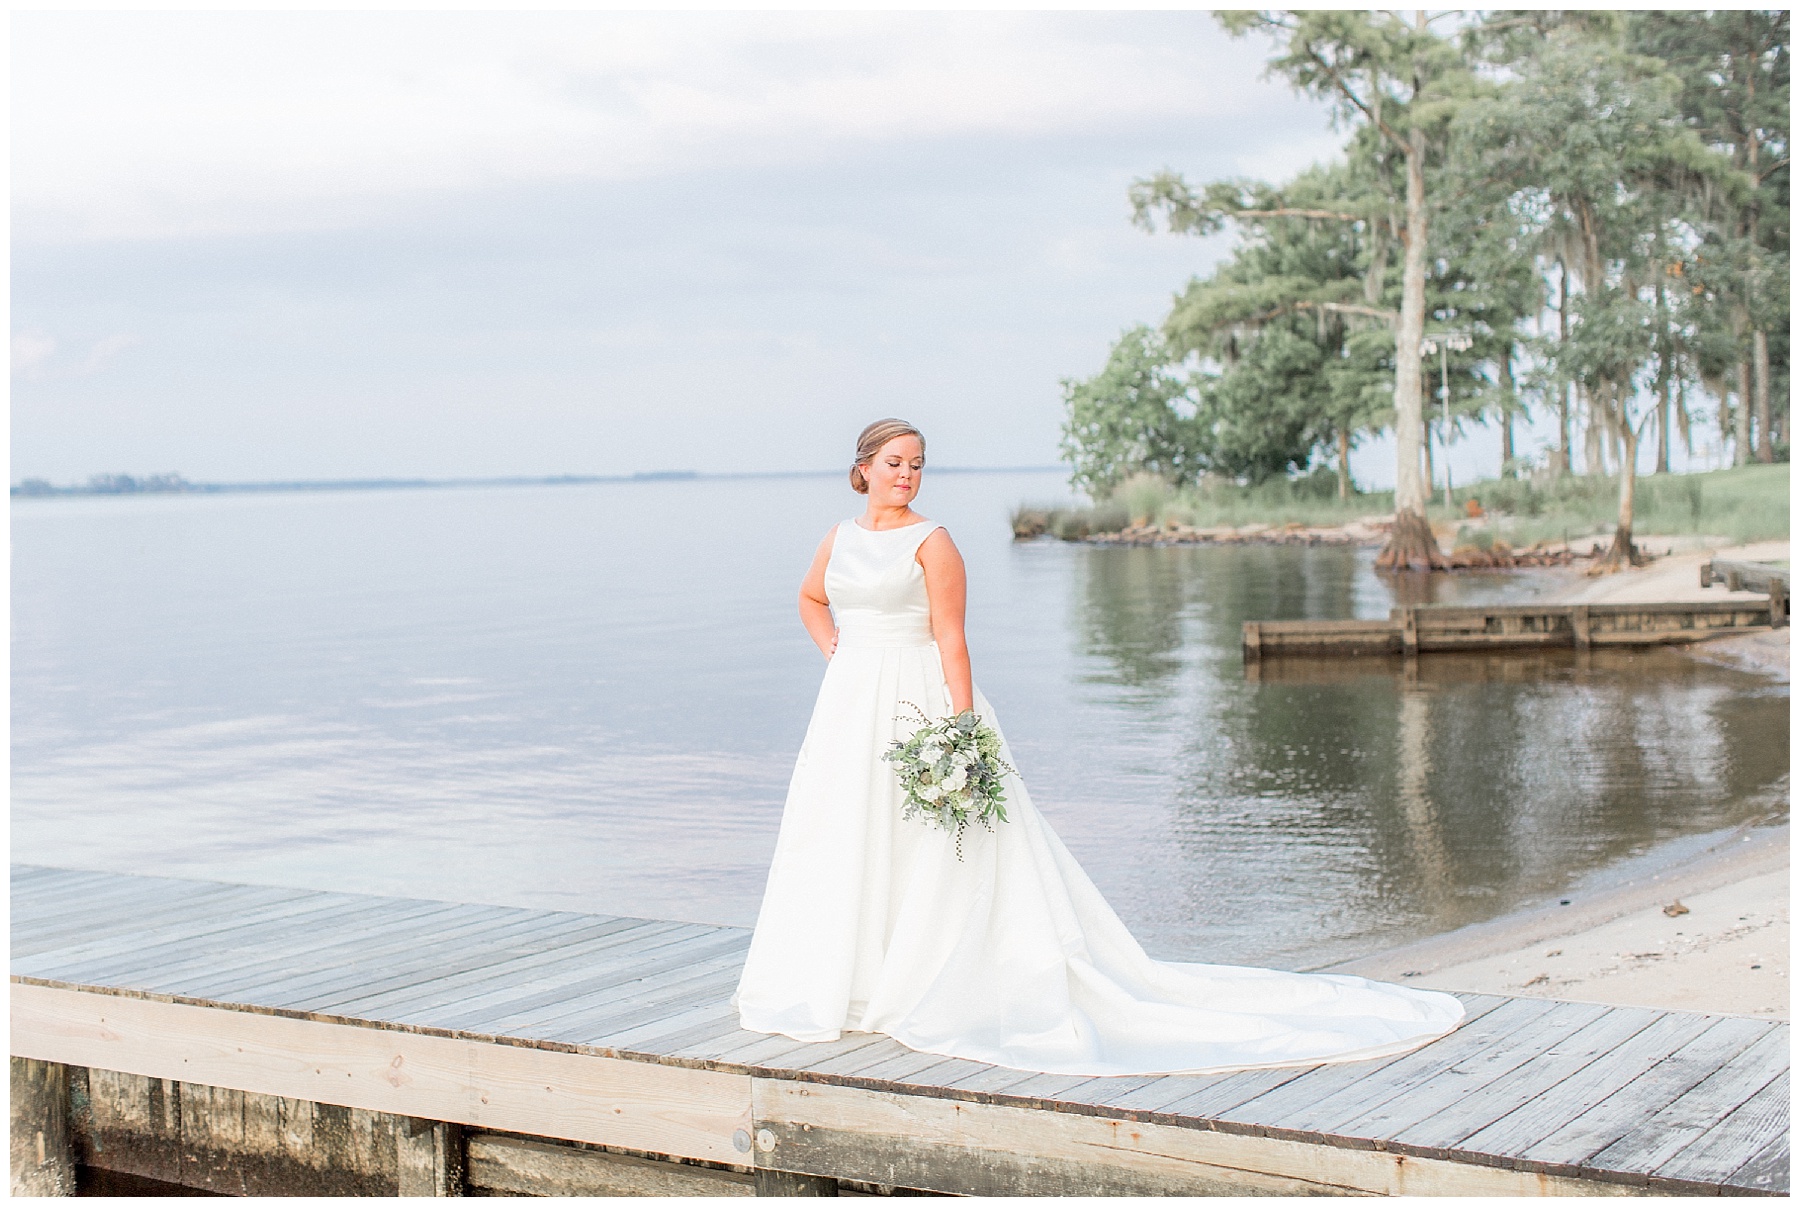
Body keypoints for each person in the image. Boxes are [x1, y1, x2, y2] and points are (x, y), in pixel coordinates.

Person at [733, 418, 1464, 1076]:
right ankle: (855, 976)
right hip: (850, 707)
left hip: (920, 700)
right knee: (847, 834)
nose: (906, 474)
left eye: (918, 464)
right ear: (863, 466)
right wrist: (841, 654)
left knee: (932, 844)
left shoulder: (935, 542)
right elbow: (810, 597)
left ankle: (923, 979)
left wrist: (959, 734)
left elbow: (953, 639)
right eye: (894, 462)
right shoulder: (840, 536)